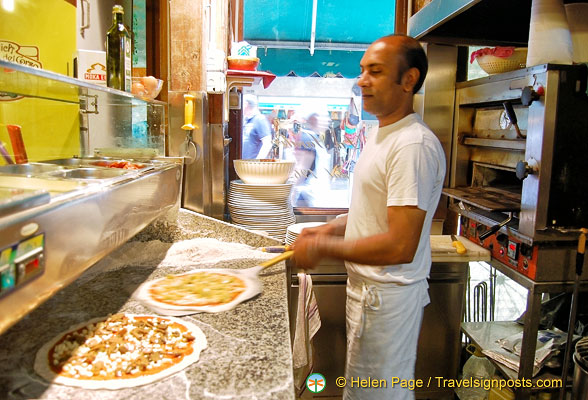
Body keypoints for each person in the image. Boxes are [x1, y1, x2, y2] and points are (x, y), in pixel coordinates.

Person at [292, 34, 446, 400]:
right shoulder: (381, 133)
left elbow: (400, 245)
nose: (361, 80)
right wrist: (326, 228)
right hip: (370, 295)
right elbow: (368, 212)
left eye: (375, 71)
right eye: (362, 70)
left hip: (387, 300)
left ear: (408, 80)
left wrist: (327, 248)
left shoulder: (412, 146)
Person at [242, 94, 272, 159]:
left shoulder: (260, 119)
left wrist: (257, 163)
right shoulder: (247, 120)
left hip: (253, 166)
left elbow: (267, 143)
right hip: (245, 164)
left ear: (246, 104)